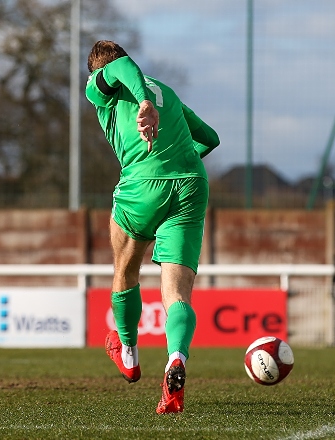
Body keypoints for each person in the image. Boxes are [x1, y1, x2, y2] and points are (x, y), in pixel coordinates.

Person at [85, 40, 220, 414]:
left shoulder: (103, 82)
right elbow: (210, 138)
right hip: (192, 183)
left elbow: (117, 69)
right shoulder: (169, 93)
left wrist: (142, 100)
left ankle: (128, 351)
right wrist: (179, 161)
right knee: (177, 292)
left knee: (126, 270)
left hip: (144, 184)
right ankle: (176, 358)